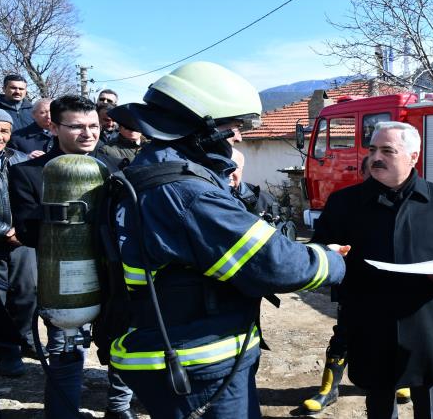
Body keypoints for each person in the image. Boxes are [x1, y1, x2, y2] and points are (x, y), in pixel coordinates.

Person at [104, 61, 347, 419]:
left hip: (173, 348)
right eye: (234, 126)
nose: (238, 137)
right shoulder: (188, 192)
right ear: (200, 128)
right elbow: (277, 265)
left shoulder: (151, 170)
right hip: (199, 359)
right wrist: (334, 260)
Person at [313, 121, 433, 419]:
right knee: (379, 404)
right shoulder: (344, 203)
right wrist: (332, 255)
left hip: (423, 319)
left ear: (413, 156)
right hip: (368, 319)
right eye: (373, 149)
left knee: (429, 404)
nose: (376, 157)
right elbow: (319, 249)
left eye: (387, 150)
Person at [9, 95, 135, 419]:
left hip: (112, 276)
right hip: (63, 283)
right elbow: (26, 233)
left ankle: (119, 407)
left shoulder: (111, 167)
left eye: (93, 125)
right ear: (53, 126)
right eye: (77, 126)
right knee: (67, 354)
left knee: (121, 345)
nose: (88, 134)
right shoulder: (28, 173)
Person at [302, 154, 413, 414]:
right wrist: (332, 252)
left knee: (398, 336)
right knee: (345, 335)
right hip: (356, 288)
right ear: (363, 175)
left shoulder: (404, 203)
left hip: (398, 291)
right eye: (371, 174)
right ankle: (328, 389)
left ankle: (398, 379)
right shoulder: (345, 203)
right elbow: (319, 243)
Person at [0, 108, 32, 377]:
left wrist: (24, 228)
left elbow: (29, 194)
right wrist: (4, 230)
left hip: (21, 241)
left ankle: (22, 340)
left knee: (26, 292)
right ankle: (6, 349)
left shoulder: (18, 160)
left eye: (4, 131)